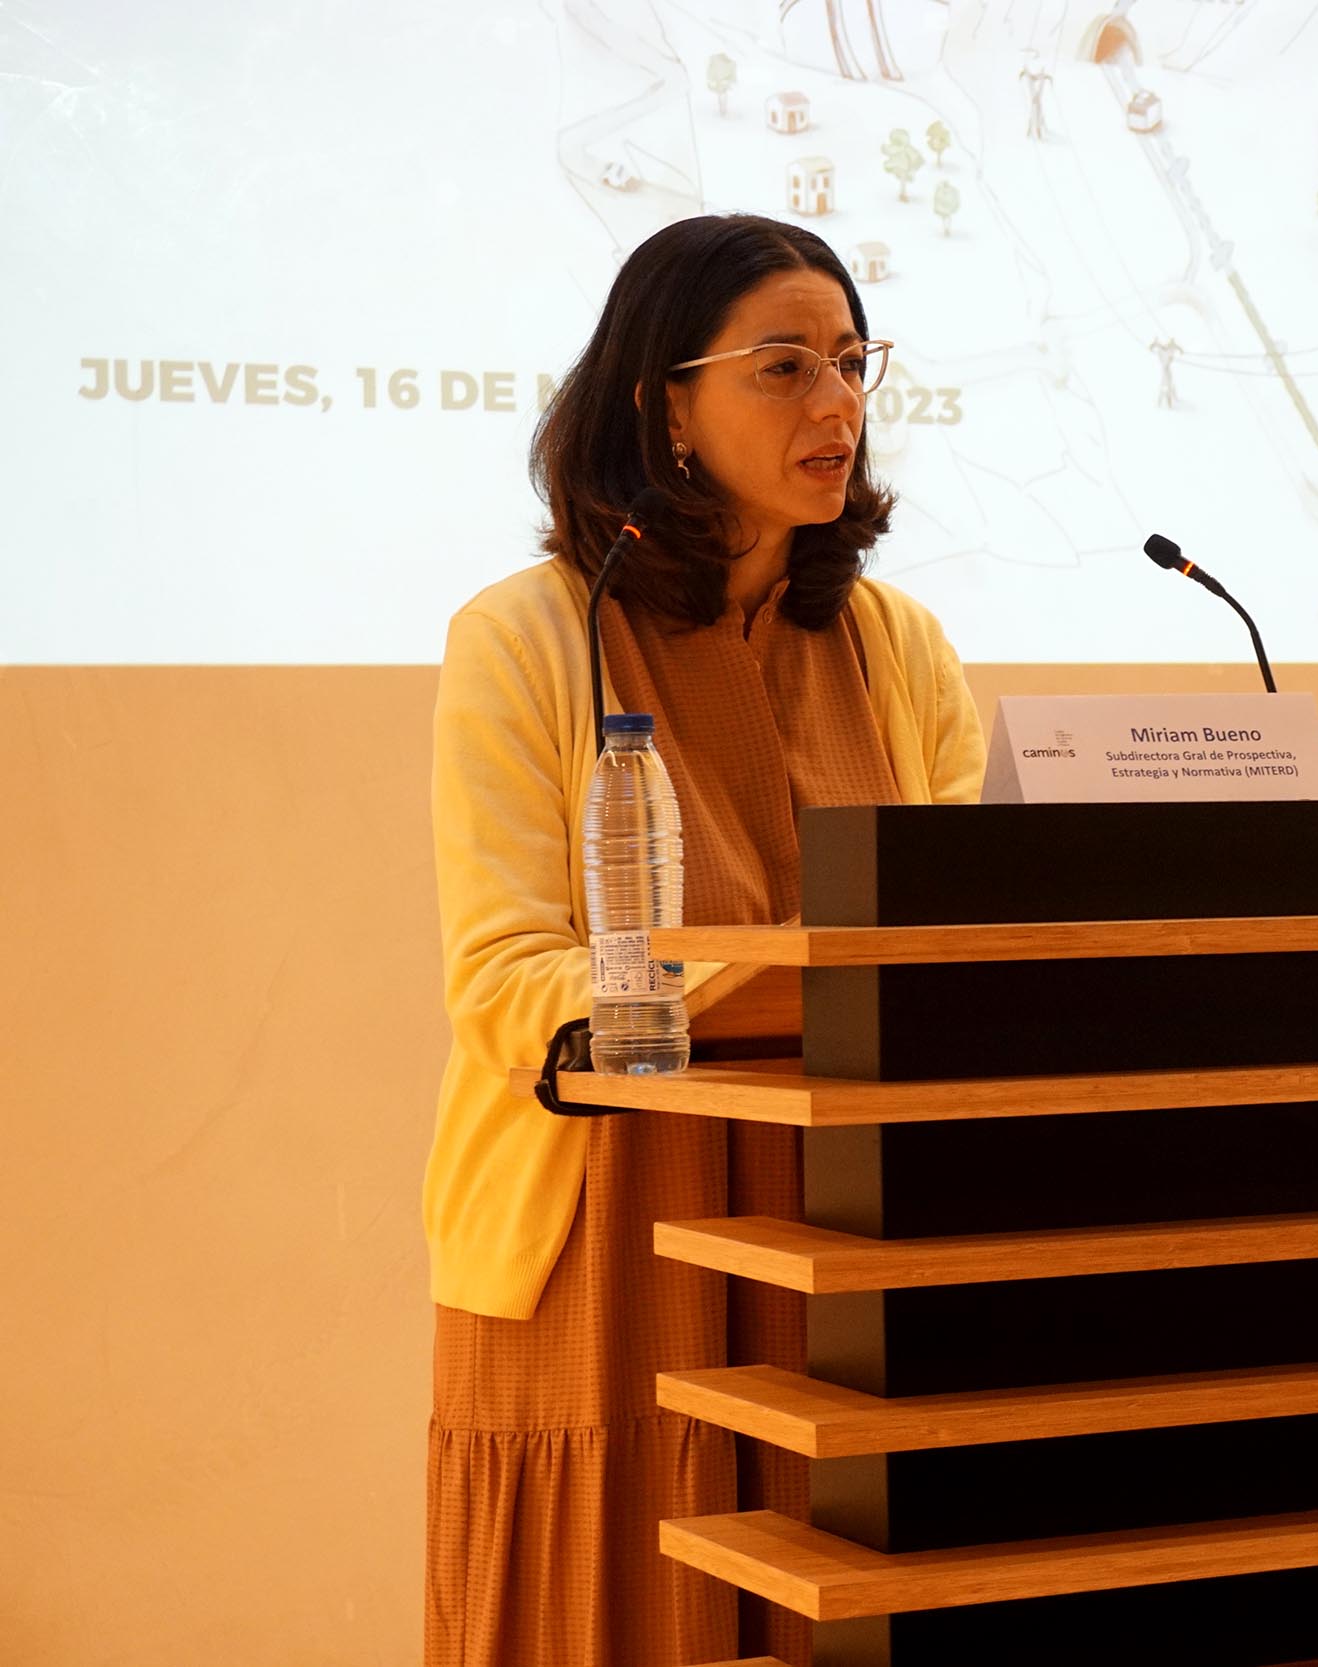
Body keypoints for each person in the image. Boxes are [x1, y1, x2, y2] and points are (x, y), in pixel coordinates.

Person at [421, 215, 984, 1667]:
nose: (836, 402)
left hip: (851, 1222)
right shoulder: (527, 634)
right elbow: (505, 979)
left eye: (851, 362)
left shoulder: (898, 643)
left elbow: (964, 934)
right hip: (620, 1214)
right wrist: (768, 966)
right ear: (663, 406)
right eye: (784, 366)